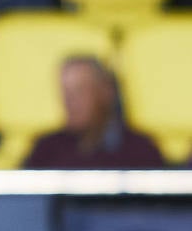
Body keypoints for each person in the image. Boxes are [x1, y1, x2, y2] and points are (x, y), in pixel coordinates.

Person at [21, 55, 164, 169]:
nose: (69, 101)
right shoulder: (45, 150)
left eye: (79, 91)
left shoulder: (141, 151)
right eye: (65, 92)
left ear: (106, 92)